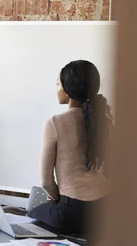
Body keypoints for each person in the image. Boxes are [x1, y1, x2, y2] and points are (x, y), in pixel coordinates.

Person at [29, 60, 113, 236]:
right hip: (105, 208)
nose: (57, 88)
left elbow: (46, 181)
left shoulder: (55, 122)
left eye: (58, 83)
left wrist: (58, 199)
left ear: (67, 89)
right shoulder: (102, 121)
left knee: (33, 211)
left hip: (73, 210)